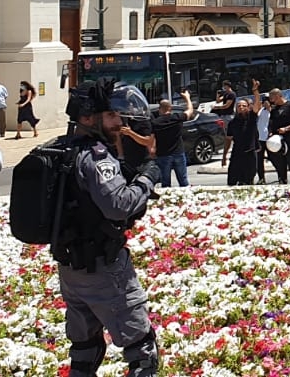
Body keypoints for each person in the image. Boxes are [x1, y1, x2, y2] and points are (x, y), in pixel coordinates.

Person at [52, 78, 159, 376]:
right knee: (142, 351)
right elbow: (119, 205)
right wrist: (147, 178)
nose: (119, 121)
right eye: (111, 115)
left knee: (85, 350)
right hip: (103, 268)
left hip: (73, 267)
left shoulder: (63, 149)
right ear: (87, 117)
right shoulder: (95, 156)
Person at [150, 92, 195, 188]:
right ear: (170, 108)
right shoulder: (177, 118)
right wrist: (187, 98)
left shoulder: (155, 123)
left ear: (160, 109)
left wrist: (152, 150)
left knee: (165, 183)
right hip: (178, 152)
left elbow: (151, 139)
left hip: (163, 154)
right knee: (183, 181)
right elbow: (190, 110)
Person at [265, 89, 290, 184]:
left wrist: (286, 128)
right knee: (280, 165)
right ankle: (282, 183)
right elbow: (271, 123)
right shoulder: (274, 109)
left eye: (272, 96)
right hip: (277, 141)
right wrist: (270, 132)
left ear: (279, 95)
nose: (270, 99)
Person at [223, 97, 260, 186]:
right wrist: (224, 155)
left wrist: (255, 91)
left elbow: (257, 103)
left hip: (249, 155)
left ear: (248, 107)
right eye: (239, 106)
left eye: (244, 106)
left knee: (248, 182)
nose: (241, 107)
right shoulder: (232, 123)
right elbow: (228, 140)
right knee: (231, 182)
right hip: (236, 155)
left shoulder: (251, 119)